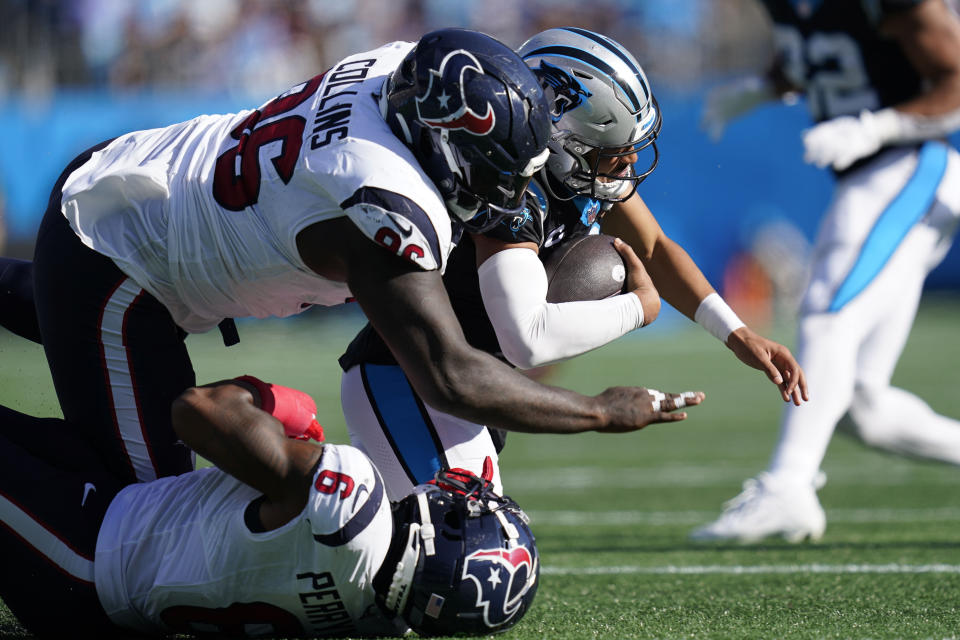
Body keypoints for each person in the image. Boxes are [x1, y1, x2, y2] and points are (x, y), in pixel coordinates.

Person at [22, 27, 703, 488]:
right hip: (119, 258)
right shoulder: (380, 206)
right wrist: (598, 411)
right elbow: (449, 376)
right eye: (492, 171)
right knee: (136, 516)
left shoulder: (406, 67)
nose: (501, 196)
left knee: (50, 310)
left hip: (148, 176)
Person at [339, 27, 807, 500]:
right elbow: (528, 340)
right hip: (408, 381)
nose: (628, 164)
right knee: (468, 553)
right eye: (613, 153)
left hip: (472, 386)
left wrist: (736, 333)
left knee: (438, 546)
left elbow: (654, 249)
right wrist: (640, 309)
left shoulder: (580, 173)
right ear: (562, 139)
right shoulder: (506, 189)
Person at [692, 0, 960, 543]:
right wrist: (764, 87)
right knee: (864, 407)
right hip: (870, 177)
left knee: (827, 315)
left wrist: (878, 125)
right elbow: (817, 54)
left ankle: (788, 487)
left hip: (913, 163)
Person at [0, 376, 540, 638]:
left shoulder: (353, 496)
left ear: (439, 534)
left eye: (467, 510)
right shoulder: (377, 623)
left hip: (85, 550)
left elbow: (196, 411)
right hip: (107, 566)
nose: (460, 496)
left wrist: (268, 399)